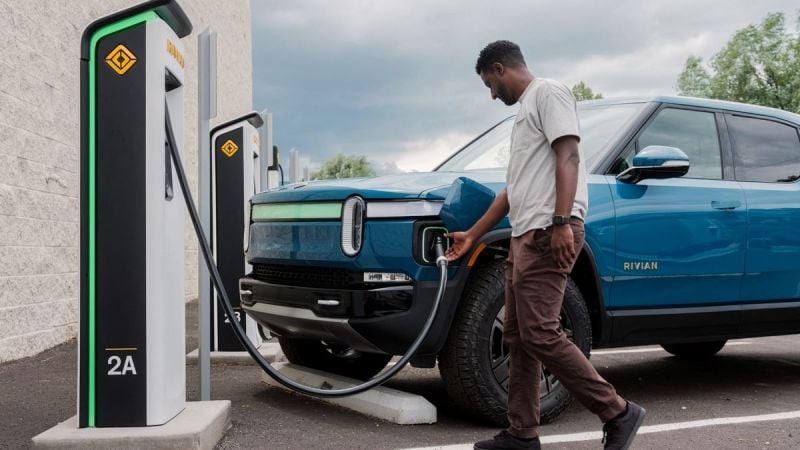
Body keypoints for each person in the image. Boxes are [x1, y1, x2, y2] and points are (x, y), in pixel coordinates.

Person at [445, 40, 645, 450]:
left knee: (539, 332)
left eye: (489, 84)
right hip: (525, 236)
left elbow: (568, 155)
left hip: (547, 232)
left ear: (500, 69)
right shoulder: (524, 116)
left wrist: (561, 221)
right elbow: (512, 190)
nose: (492, 94)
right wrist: (473, 234)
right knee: (519, 337)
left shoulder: (549, 93)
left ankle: (617, 411)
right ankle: (522, 434)